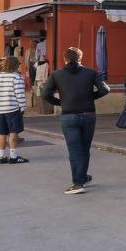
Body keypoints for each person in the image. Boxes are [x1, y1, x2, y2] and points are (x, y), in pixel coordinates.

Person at [42, 45, 108, 193]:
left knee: (74, 150)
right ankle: (82, 177)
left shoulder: (56, 74)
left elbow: (45, 94)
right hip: (88, 113)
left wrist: (60, 102)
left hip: (69, 114)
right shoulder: (91, 72)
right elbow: (105, 89)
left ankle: (78, 183)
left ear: (64, 58)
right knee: (84, 148)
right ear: (80, 58)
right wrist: (90, 97)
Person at [0, 55, 29, 164]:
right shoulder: (16, 78)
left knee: (1, 133)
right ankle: (13, 157)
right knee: (13, 133)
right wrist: (23, 107)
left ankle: (2, 157)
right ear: (16, 66)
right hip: (13, 109)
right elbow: (20, 94)